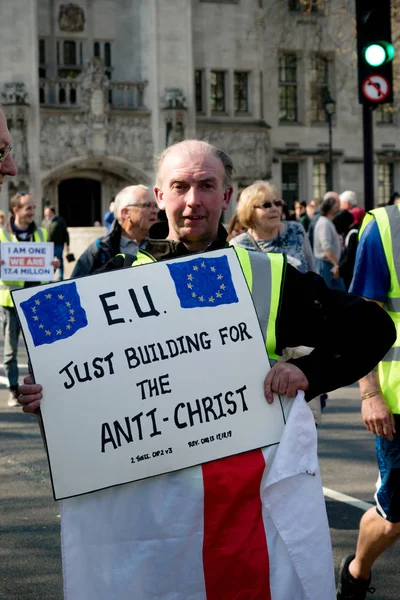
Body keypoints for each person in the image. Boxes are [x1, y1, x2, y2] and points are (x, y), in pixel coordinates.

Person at [18, 140, 394, 600]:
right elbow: (74, 375)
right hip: (145, 508)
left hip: (237, 508)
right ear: (159, 195)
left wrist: (308, 374)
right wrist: (46, 397)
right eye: (180, 186)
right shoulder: (111, 278)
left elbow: (372, 328)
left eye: (205, 186)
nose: (192, 200)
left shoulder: (266, 273)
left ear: (226, 195)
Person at [337, 203, 400, 600]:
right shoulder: (386, 228)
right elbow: (361, 319)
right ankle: (357, 572)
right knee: (394, 519)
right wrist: (370, 392)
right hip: (397, 401)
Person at [0, 192, 59, 406]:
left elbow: (47, 259)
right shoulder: (2, 235)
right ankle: (14, 390)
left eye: (34, 208)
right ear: (15, 210)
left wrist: (53, 263)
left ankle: (40, 387)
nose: (32, 212)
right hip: (11, 300)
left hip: (36, 301)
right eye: (28, 208)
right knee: (11, 350)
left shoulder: (42, 234)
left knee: (40, 348)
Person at [71, 185, 158, 278]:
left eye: (155, 206)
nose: (155, 211)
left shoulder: (163, 245)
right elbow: (74, 287)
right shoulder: (100, 249)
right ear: (126, 213)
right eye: (147, 205)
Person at [230, 180, 315, 274]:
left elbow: (312, 272)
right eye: (266, 205)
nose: (274, 208)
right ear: (249, 211)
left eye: (277, 203)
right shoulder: (237, 246)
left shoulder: (296, 230)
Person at [313, 193, 346, 291]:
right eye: (336, 206)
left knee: (339, 293)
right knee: (326, 294)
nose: (338, 209)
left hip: (329, 263)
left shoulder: (326, 222)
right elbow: (326, 246)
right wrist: (336, 264)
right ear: (331, 209)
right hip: (325, 264)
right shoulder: (324, 223)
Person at [42, 205, 70, 281]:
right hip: (48, 246)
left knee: (59, 260)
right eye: (45, 213)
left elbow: (65, 233)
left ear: (52, 212)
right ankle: (50, 276)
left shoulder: (60, 221)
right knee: (49, 261)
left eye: (47, 212)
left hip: (58, 245)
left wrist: (67, 244)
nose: (46, 214)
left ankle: (60, 276)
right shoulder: (44, 222)